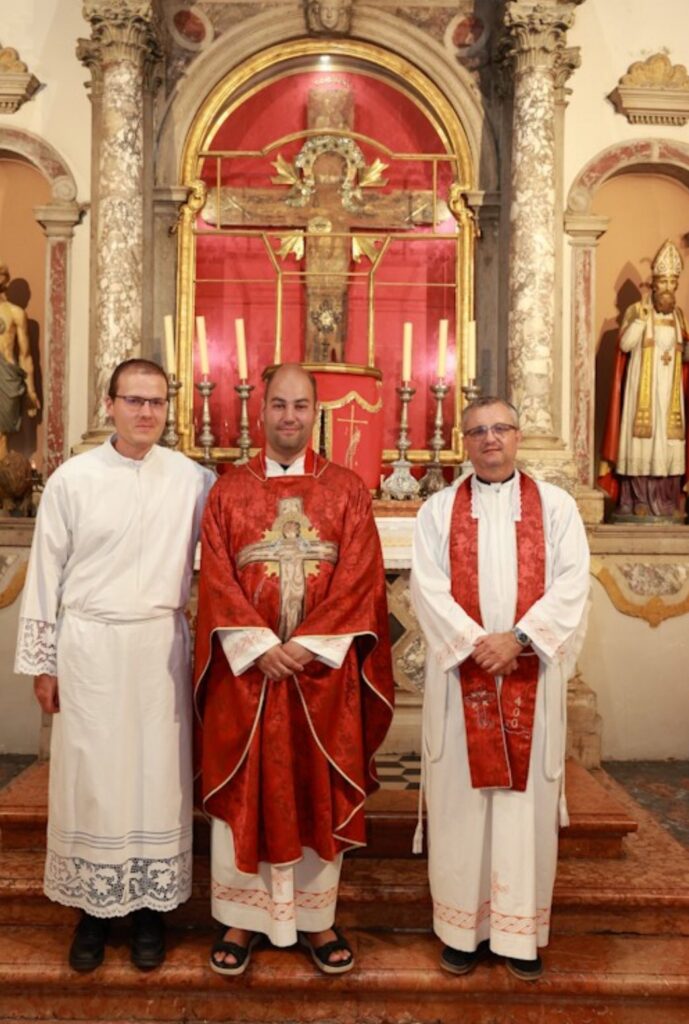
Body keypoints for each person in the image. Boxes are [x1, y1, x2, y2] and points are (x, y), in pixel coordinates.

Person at [194, 362, 394, 977]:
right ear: (261, 411)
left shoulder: (347, 490)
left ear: (316, 412)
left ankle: (316, 916)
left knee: (315, 786)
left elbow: (360, 579)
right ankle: (241, 916)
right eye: (279, 405)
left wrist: (303, 646)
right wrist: (259, 646)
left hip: (320, 678)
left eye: (300, 405)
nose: (289, 417)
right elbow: (217, 578)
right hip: (248, 675)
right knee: (247, 785)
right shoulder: (228, 491)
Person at [14, 358, 214, 972]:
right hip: (91, 648)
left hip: (159, 648)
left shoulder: (194, 480)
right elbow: (45, 573)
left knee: (158, 778)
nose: (146, 412)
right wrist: (44, 663)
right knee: (94, 779)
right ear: (110, 405)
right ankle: (93, 913)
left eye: (157, 402)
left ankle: (152, 911)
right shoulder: (73, 479)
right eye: (134, 400)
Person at [410, 396, 589, 981]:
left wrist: (518, 639)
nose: (490, 439)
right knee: (462, 807)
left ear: (518, 436)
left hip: (528, 672)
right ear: (464, 442)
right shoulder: (438, 510)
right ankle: (461, 930)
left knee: (522, 808)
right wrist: (475, 644)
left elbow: (572, 584)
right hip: (462, 676)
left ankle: (519, 933)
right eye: (478, 431)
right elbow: (427, 588)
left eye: (501, 429)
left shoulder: (556, 508)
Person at [599, 239, 689, 520]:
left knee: (668, 444)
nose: (669, 288)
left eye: (673, 283)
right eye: (664, 282)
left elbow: (684, 351)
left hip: (670, 394)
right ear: (654, 284)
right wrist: (641, 321)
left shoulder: (679, 316)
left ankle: (665, 501)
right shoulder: (637, 311)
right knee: (641, 443)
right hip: (643, 393)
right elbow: (625, 345)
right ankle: (635, 500)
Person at [0, 262, 40, 459]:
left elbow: (26, 356)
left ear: (4, 280)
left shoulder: (16, 313)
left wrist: (31, 391)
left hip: (6, 376)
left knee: (2, 432)